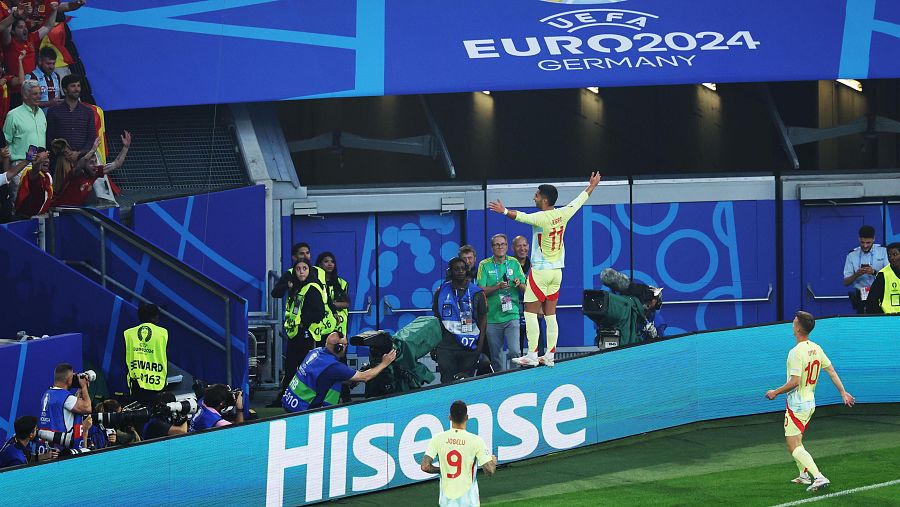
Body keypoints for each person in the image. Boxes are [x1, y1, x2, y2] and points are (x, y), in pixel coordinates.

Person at [489, 172, 602, 367]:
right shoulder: (563, 213)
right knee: (551, 314)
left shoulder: (542, 218)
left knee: (530, 312)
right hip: (557, 272)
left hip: (540, 272)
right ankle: (550, 355)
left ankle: (532, 355)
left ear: (545, 199)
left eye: (537, 195)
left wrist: (503, 211)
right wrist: (592, 186)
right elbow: (579, 200)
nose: (534, 197)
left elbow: (521, 217)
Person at [765, 311, 855, 492]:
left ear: (798, 328)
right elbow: (831, 371)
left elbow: (794, 382)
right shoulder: (816, 348)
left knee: (793, 445)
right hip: (810, 403)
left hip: (797, 405)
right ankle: (804, 475)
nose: (792, 323)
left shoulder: (795, 352)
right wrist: (843, 392)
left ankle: (819, 476)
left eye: (794, 321)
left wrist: (775, 392)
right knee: (797, 441)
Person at [282, 331, 397, 413]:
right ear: (339, 347)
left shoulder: (315, 352)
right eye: (346, 345)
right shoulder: (334, 366)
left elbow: (321, 377)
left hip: (290, 402)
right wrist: (384, 363)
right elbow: (365, 377)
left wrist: (348, 381)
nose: (346, 348)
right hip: (303, 410)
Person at [272, 258, 337, 402]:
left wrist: (303, 322)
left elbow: (319, 312)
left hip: (305, 334)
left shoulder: (312, 287)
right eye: (298, 269)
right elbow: (275, 293)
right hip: (295, 334)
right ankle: (287, 396)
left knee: (303, 367)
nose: (301, 272)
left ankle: (305, 397)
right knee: (290, 366)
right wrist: (286, 286)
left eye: (304, 268)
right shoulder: (296, 286)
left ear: (309, 270)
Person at [420, 400, 497, 507]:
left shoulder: (438, 439)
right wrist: (493, 461)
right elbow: (489, 470)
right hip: (469, 502)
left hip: (446, 502)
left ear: (449, 417)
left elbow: (425, 466)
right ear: (467, 417)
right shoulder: (476, 440)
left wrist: (443, 469)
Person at [433, 257, 488, 383]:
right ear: (450, 271)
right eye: (456, 269)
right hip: (446, 347)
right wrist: (434, 347)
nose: (460, 271)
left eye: (463, 268)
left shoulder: (477, 293)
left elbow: (483, 321)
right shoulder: (440, 292)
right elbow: (436, 320)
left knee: (466, 383)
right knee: (447, 382)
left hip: (470, 346)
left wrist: (479, 347)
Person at [477, 233, 526, 371]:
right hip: (492, 317)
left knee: (515, 352)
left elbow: (525, 288)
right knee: (495, 357)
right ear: (492, 247)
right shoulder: (484, 265)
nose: (500, 247)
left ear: (507, 247)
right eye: (497, 244)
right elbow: (480, 290)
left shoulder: (514, 263)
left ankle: (515, 380)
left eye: (502, 244)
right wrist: (497, 287)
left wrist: (518, 283)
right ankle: (500, 384)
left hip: (512, 314)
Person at [51, 130, 130, 207]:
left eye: (95, 161)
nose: (95, 165)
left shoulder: (94, 172)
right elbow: (83, 161)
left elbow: (117, 163)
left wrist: (126, 147)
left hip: (77, 211)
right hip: (60, 211)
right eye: (91, 162)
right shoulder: (75, 173)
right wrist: (93, 150)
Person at [3, 78, 46, 206]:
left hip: (40, 165)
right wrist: (7, 173)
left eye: (39, 93)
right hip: (20, 167)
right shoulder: (13, 115)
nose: (39, 97)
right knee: (20, 204)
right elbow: (5, 145)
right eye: (35, 94)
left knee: (39, 203)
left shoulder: (41, 113)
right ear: (25, 95)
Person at [123, 302, 169, 406]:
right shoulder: (163, 333)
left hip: (137, 383)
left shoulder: (129, 333)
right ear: (154, 317)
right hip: (157, 382)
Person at [38, 362, 91, 450]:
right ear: (69, 379)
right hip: (64, 448)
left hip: (50, 446)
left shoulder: (48, 393)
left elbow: (66, 407)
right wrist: (84, 386)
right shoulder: (64, 396)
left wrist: (79, 393)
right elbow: (87, 407)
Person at [44, 73, 95, 155]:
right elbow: (49, 137)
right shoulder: (53, 111)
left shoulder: (88, 112)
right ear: (64, 89)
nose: (77, 89)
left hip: (83, 160)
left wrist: (79, 153)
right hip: (60, 159)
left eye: (78, 86)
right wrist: (64, 152)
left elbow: (91, 138)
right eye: (73, 86)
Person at [843, 226, 889, 313]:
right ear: (859, 239)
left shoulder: (883, 251)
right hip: (861, 297)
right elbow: (846, 282)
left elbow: (890, 275)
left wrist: (874, 272)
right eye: (862, 242)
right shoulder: (852, 255)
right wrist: (857, 274)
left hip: (881, 295)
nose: (865, 245)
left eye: (868, 242)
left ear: (874, 239)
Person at [864, 242, 900, 314]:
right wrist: (882, 317)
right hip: (889, 320)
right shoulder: (883, 275)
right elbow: (871, 302)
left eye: (895, 254)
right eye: (889, 255)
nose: (891, 258)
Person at [27, 46, 61, 111]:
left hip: (55, 119)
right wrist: (49, 103)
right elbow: (28, 102)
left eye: (53, 63)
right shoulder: (31, 77)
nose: (51, 67)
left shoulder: (56, 76)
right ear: (40, 61)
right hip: (37, 118)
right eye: (48, 63)